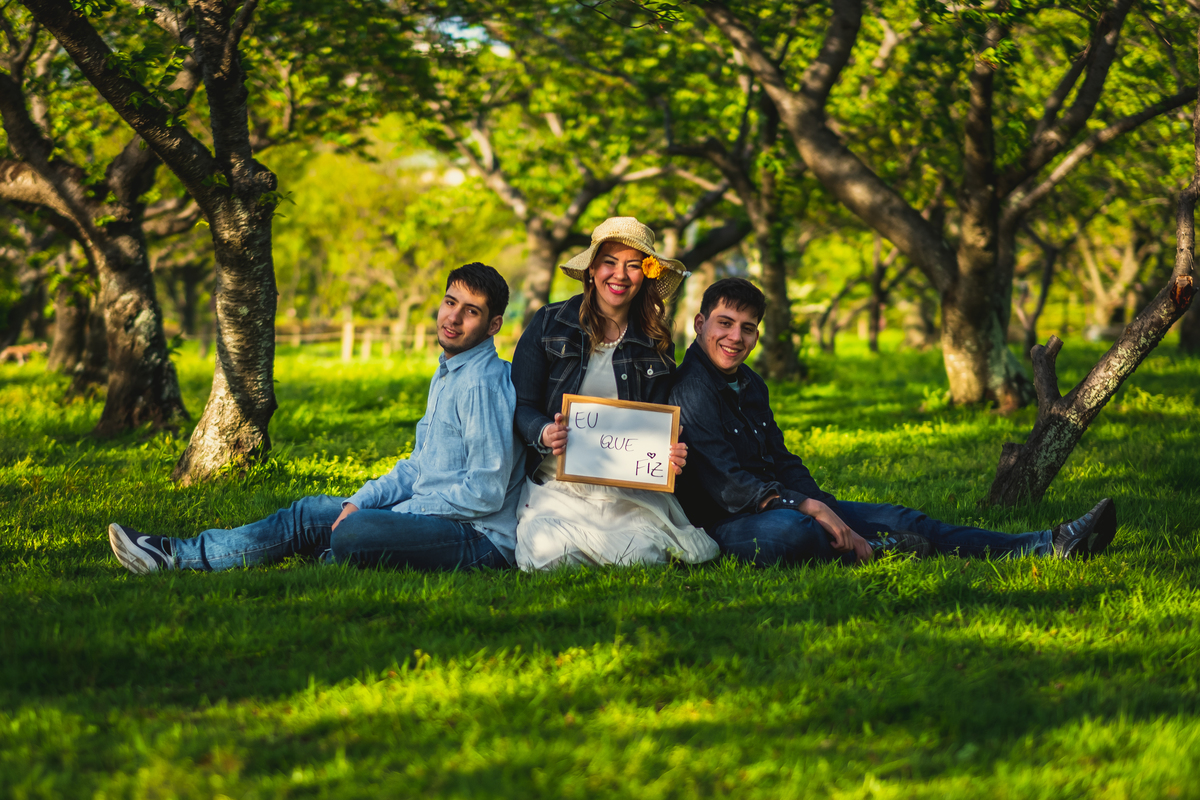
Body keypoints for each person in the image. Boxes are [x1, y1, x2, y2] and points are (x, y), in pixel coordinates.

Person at [107, 262, 525, 574]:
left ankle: (337, 550)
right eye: (450, 302)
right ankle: (172, 554)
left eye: (471, 311)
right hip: (434, 516)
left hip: (477, 538)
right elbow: (420, 466)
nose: (453, 318)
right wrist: (361, 501)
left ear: (493, 325)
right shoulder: (450, 371)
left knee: (355, 532)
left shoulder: (481, 385)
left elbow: (485, 492)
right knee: (309, 512)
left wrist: (397, 514)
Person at [669, 277, 1117, 566]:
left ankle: (1046, 543)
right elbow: (730, 487)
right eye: (725, 323)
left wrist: (826, 505)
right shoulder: (691, 388)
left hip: (788, 504)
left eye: (747, 328)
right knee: (793, 532)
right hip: (728, 524)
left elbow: (782, 461)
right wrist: (812, 511)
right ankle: (879, 551)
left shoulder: (750, 383)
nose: (735, 337)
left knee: (902, 517)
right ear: (700, 323)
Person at [511, 217, 719, 570]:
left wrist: (669, 452)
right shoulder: (548, 324)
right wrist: (544, 432)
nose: (619, 275)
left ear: (646, 275)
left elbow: (656, 422)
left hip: (624, 488)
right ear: (592, 269)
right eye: (609, 262)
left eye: (633, 265)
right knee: (544, 556)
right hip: (558, 484)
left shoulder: (655, 341)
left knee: (642, 555)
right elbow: (522, 405)